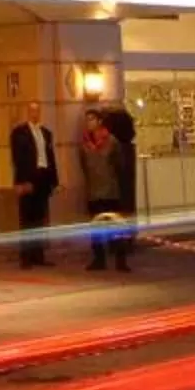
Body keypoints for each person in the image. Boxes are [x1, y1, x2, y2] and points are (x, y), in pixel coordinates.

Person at [8, 99, 59, 266]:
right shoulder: (19, 132)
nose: (34, 113)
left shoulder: (46, 133)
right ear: (28, 112)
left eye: (37, 110)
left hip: (43, 178)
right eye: (31, 110)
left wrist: (54, 181)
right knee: (27, 219)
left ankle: (39, 256)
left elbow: (51, 157)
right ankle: (26, 257)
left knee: (40, 219)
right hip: (28, 178)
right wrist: (22, 181)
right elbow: (17, 159)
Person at [77, 110, 126, 271]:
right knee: (96, 228)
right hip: (93, 191)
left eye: (92, 119)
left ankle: (120, 260)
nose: (89, 123)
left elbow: (120, 164)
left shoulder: (111, 141)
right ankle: (99, 259)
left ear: (99, 121)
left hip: (110, 191)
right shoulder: (84, 144)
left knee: (115, 227)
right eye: (87, 120)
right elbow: (84, 166)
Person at [105, 102, 139, 270]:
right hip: (124, 188)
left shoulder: (117, 147)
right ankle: (125, 242)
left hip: (116, 188)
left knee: (118, 213)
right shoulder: (127, 147)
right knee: (125, 211)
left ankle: (119, 245)